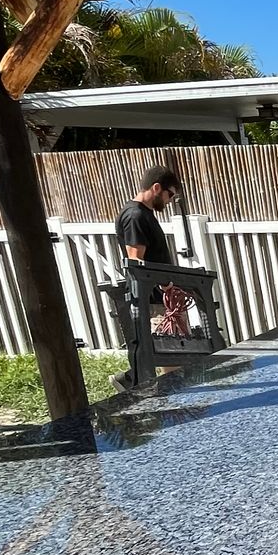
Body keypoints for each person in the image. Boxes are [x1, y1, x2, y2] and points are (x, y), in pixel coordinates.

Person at [111, 166, 180, 390]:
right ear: (156, 187)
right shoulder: (135, 215)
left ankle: (131, 380)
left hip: (161, 295)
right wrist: (162, 285)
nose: (170, 200)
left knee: (170, 351)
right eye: (170, 194)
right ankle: (158, 394)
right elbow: (135, 262)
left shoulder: (145, 214)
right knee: (167, 352)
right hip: (151, 298)